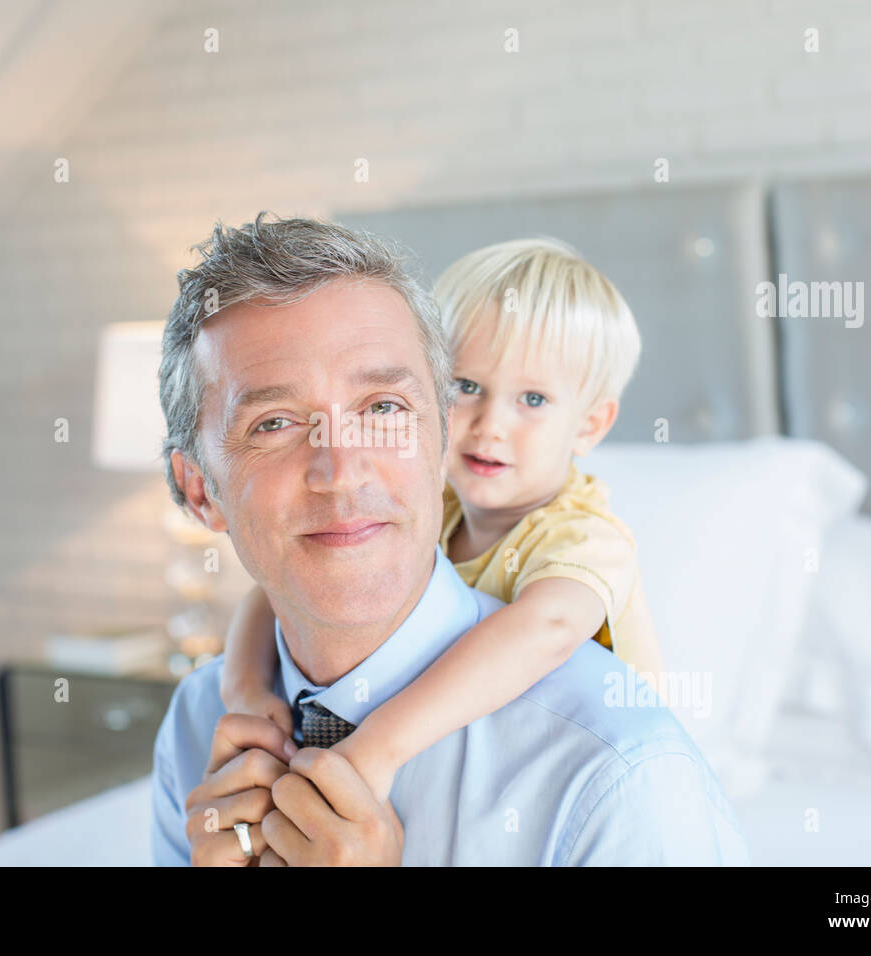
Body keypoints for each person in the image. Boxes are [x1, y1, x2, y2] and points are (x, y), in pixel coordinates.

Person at [150, 212, 749, 865]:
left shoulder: (620, 776)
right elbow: (263, 602)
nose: (341, 471)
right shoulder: (197, 723)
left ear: (437, 442)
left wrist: (373, 748)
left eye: (383, 408)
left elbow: (550, 625)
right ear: (200, 489)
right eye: (273, 423)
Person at [221, 237, 667, 803]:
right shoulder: (437, 505)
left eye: (532, 400)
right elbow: (277, 587)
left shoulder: (584, 536)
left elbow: (545, 631)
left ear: (589, 425)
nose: (489, 425)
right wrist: (244, 690)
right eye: (467, 387)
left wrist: (379, 745)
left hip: (570, 772)